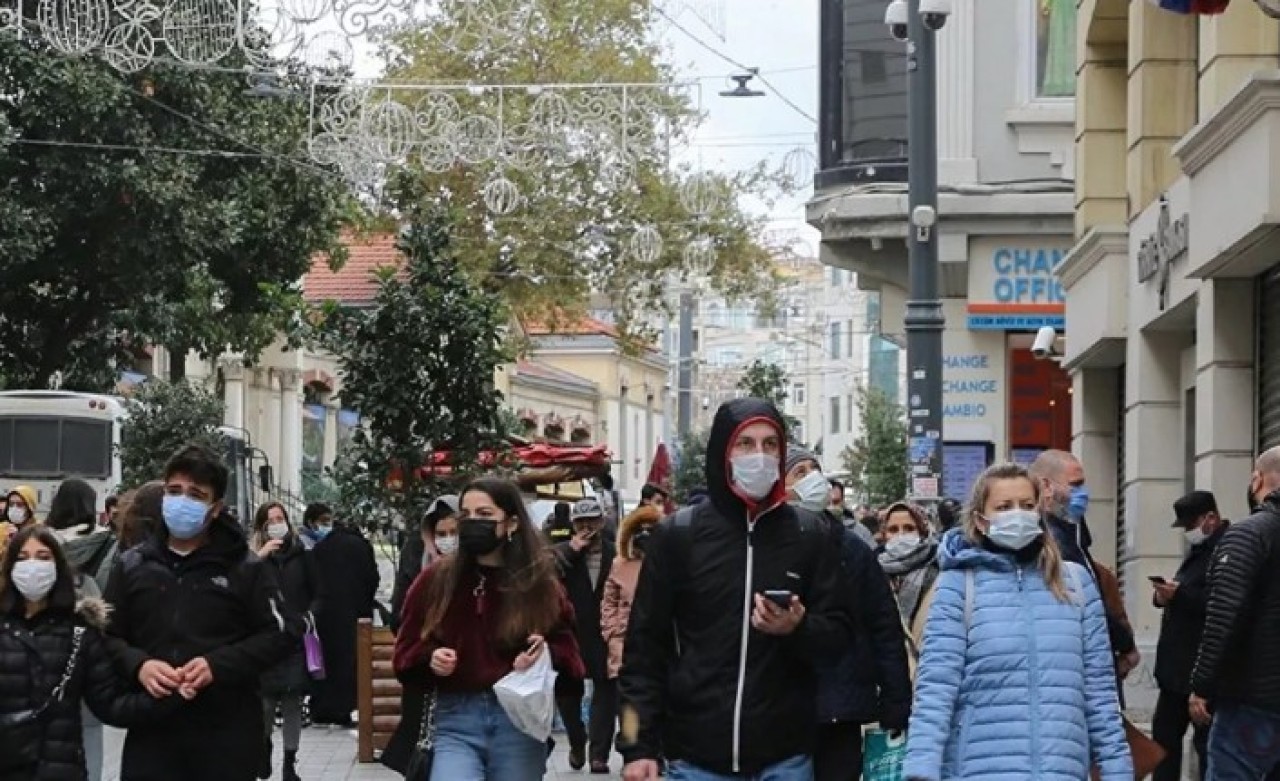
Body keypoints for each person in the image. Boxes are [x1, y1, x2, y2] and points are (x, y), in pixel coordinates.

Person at [620, 398, 853, 781]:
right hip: (695, 759)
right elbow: (642, 652)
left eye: (770, 444)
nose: (758, 456)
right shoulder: (679, 536)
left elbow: (840, 639)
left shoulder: (810, 536)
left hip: (785, 758)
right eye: (745, 444)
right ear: (723, 453)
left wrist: (799, 627)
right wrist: (635, 747)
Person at [904, 462, 1131, 781]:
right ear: (981, 520)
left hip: (1060, 769)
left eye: (1027, 505)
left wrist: (1118, 770)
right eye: (1004, 506)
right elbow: (936, 688)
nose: (1018, 514)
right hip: (978, 769)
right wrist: (921, 770)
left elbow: (1099, 694)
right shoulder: (958, 586)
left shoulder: (1076, 584)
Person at [102, 443, 298, 781]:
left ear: (215, 508)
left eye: (195, 494)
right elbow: (107, 635)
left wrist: (216, 665)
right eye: (174, 491)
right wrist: (139, 665)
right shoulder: (134, 565)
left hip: (226, 735)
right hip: (153, 733)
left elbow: (279, 635)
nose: (182, 501)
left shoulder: (245, 568)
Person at [393, 477, 586, 780]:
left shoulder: (538, 583)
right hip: (455, 716)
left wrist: (543, 656)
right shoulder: (436, 580)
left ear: (510, 523)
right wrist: (429, 659)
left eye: (484, 515)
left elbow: (570, 656)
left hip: (518, 718)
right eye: (465, 515)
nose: (472, 523)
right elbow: (406, 649)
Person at [0, 524, 176, 781]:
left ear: (59, 567)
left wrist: (167, 694)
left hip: (61, 771)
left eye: (43, 557)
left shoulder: (79, 632)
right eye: (22, 558)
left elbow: (110, 703)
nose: (33, 567)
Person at [783, 445, 911, 781]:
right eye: (800, 472)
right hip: (780, 709)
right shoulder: (765, 547)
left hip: (841, 706)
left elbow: (883, 624)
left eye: (815, 469)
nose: (813, 479)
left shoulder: (851, 547)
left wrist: (896, 699)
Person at [1188, 446, 1280, 779]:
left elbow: (1225, 617)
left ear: (1257, 480)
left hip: (1252, 701)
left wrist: (1202, 685)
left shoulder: (1248, 535)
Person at [1030, 449, 1141, 680]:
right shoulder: (1051, 543)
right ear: (1046, 486)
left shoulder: (1073, 531)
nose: (1083, 493)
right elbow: (1089, 604)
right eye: (1075, 484)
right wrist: (1126, 644)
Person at [1150, 490, 1227, 781]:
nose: (1187, 533)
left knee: (1207, 746)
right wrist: (1164, 597)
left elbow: (1218, 605)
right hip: (1174, 673)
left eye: (1189, 526)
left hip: (1199, 671)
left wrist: (1179, 595)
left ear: (1210, 518)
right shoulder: (1199, 551)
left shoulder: (1226, 549)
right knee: (1164, 742)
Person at [46, 478, 111, 780]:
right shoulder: (105, 542)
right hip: (90, 650)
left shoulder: (41, 542)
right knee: (90, 745)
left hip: (47, 653)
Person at [250, 502, 320, 781]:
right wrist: (259, 558)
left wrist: (308, 619)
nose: (277, 524)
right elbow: (240, 589)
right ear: (262, 528)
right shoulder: (253, 558)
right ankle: (264, 745)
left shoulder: (303, 554)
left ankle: (290, 761)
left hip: (295, 637)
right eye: (270, 521)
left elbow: (319, 593)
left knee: (293, 700)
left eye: (281, 519)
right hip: (264, 639)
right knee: (265, 704)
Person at [554, 497, 617, 774]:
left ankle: (599, 755)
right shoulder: (560, 554)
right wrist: (571, 550)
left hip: (604, 634)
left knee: (606, 693)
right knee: (568, 697)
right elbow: (542, 576)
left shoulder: (616, 553)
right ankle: (577, 742)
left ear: (602, 522)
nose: (587, 526)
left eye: (592, 520)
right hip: (570, 635)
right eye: (581, 522)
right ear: (573, 525)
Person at [307, 502, 379, 727]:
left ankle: (323, 708)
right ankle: (345, 708)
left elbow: (312, 580)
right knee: (350, 662)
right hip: (355, 612)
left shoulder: (322, 548)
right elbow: (372, 578)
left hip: (326, 614)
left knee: (327, 661)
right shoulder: (361, 545)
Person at [390, 495, 459, 635]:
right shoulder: (416, 560)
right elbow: (399, 618)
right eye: (441, 534)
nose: (448, 540)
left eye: (454, 532)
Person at [877, 501, 940, 648]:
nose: (901, 535)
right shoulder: (872, 571)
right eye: (893, 529)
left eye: (909, 528)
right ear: (884, 534)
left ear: (922, 532)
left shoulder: (938, 571)